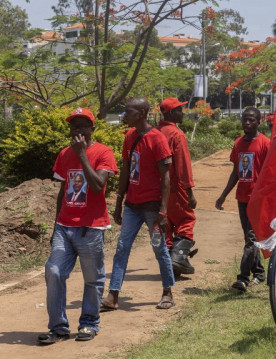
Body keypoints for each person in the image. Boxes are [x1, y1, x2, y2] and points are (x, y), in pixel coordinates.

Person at [38, 108, 118, 344]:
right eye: (74, 126)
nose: (78, 130)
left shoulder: (104, 152)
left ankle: (89, 323)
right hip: (64, 226)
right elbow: (62, 192)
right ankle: (58, 327)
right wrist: (55, 227)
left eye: (83, 125)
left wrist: (82, 155)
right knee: (53, 271)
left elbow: (96, 186)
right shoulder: (63, 154)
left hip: (91, 228)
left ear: (92, 129)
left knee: (92, 278)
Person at [101, 97, 175, 311]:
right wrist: (118, 201)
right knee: (122, 248)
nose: (125, 115)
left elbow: (166, 177)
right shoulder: (130, 136)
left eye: (129, 111)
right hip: (132, 206)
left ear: (141, 113)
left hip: (152, 208)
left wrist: (163, 211)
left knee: (159, 249)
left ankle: (168, 291)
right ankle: (113, 295)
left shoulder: (157, 139)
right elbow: (125, 169)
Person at [216, 107, 270, 293]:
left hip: (258, 199)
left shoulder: (265, 143)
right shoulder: (238, 143)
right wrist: (223, 195)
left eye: (252, 120)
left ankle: (243, 278)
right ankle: (259, 273)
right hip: (242, 198)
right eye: (245, 119)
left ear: (258, 122)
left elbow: (270, 173)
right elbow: (236, 173)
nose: (247, 123)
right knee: (249, 239)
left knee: (251, 238)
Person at [157, 97, 198, 277]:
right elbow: (183, 167)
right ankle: (179, 258)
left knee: (165, 226)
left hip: (157, 189)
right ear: (172, 113)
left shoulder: (155, 132)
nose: (182, 113)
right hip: (175, 188)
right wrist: (189, 193)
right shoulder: (176, 134)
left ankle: (169, 267)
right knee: (185, 221)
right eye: (180, 110)